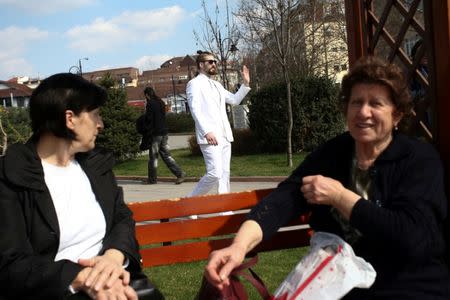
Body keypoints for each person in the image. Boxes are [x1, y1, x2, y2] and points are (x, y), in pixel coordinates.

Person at [205, 56, 450, 299]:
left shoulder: (418, 160)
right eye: (356, 102)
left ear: (396, 115)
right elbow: (283, 199)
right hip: (336, 286)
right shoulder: (334, 153)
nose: (363, 112)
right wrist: (239, 247)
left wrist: (340, 197)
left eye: (376, 103)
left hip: (409, 285)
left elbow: (412, 238)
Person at [0, 73, 157, 299]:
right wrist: (81, 278)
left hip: (114, 281)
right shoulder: (12, 176)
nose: (101, 124)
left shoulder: (96, 165)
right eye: (95, 115)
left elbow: (122, 218)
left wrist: (114, 257)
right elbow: (10, 264)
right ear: (70, 119)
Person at [186, 51, 251, 196]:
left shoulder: (217, 85)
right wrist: (206, 131)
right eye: (210, 62)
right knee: (215, 173)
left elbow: (234, 100)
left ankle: (224, 211)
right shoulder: (194, 84)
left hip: (225, 136)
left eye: (215, 62)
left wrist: (245, 84)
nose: (214, 64)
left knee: (224, 176)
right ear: (201, 65)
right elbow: (195, 110)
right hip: (210, 136)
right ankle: (190, 202)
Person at [142, 86, 185, 185]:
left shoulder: (150, 104)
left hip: (156, 134)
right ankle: (180, 174)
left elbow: (149, 120)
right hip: (164, 132)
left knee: (153, 157)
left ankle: (152, 179)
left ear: (147, 95)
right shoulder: (161, 102)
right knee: (166, 155)